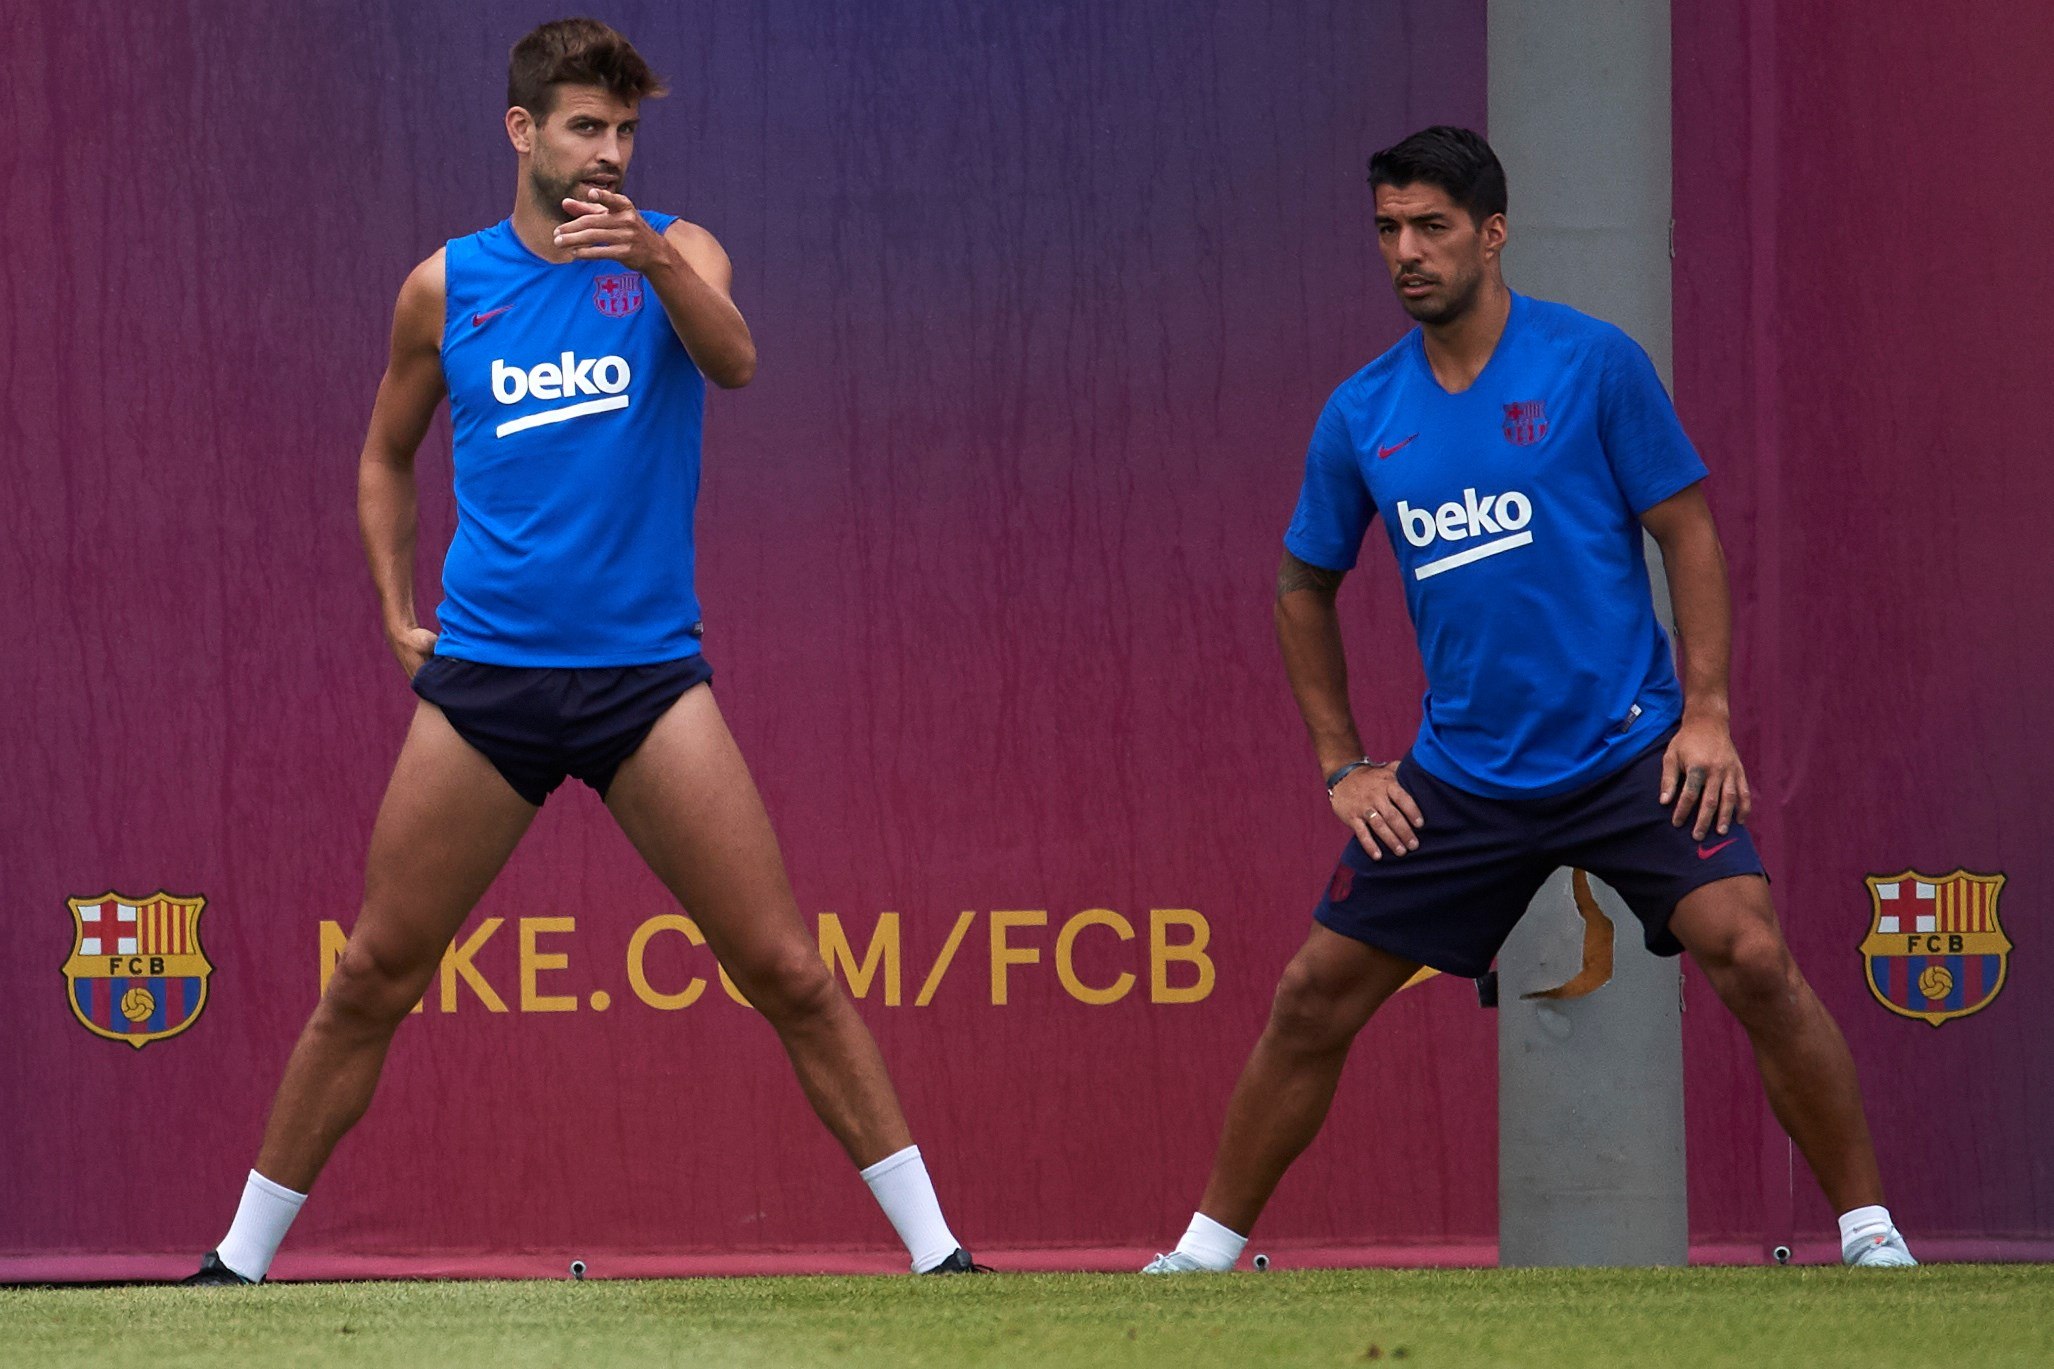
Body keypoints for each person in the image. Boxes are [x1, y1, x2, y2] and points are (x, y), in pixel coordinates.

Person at [187, 18, 977, 1283]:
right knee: (373, 974)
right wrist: (395, 610)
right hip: (487, 682)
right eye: (583, 129)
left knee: (783, 967)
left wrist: (657, 257)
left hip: (645, 684)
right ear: (523, 132)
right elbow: (385, 455)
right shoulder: (445, 286)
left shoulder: (680, 251)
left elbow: (738, 362)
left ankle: (941, 1259)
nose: (607, 153)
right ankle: (234, 1264)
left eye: (623, 131)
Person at [1143, 126, 1912, 1273]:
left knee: (1749, 956)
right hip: (1461, 777)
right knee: (1310, 995)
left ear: (1490, 233)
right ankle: (1199, 1256)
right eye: (1387, 230)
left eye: (1431, 227)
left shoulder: (1590, 364)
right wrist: (1342, 764)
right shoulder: (1361, 412)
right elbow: (1301, 584)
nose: (1406, 251)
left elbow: (1685, 531)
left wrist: (1703, 712)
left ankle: (1869, 1237)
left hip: (1628, 752)